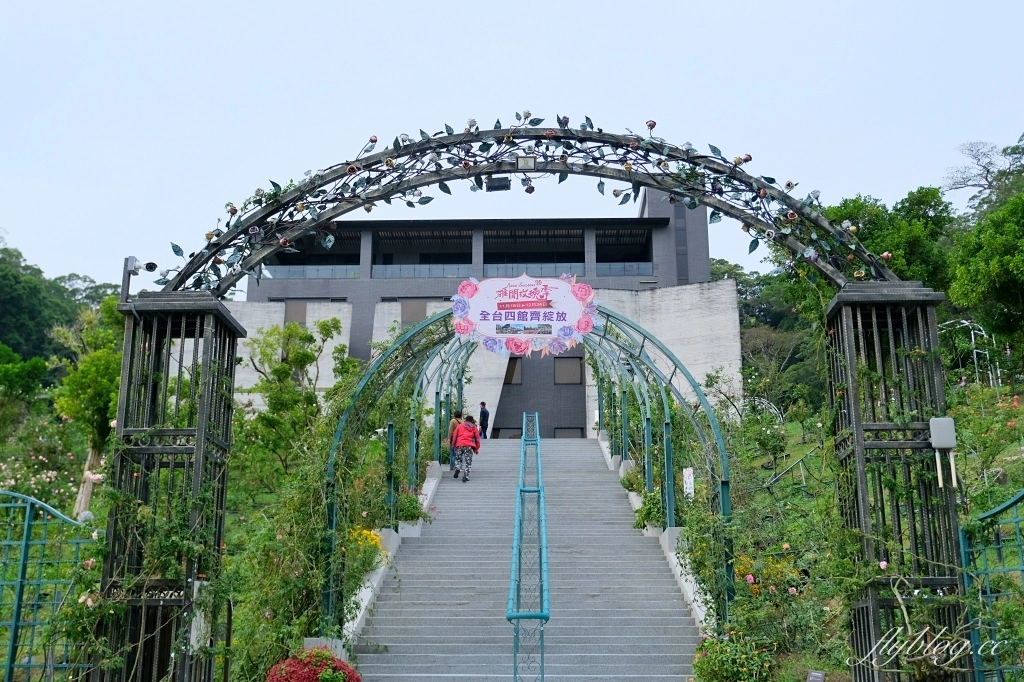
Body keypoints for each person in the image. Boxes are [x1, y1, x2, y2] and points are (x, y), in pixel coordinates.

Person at [452, 415, 480, 482]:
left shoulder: (460, 426)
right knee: (468, 462)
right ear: (472, 420)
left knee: (458, 459)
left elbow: (455, 436)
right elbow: (477, 439)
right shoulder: (474, 428)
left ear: (465, 420)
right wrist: (476, 449)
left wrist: (454, 445)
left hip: (460, 445)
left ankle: (457, 468)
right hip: (469, 446)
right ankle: (465, 477)